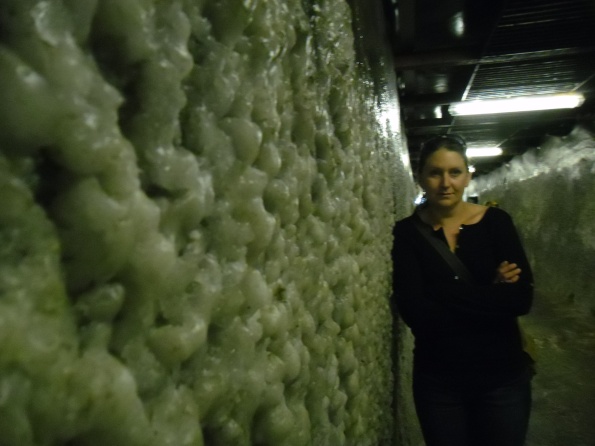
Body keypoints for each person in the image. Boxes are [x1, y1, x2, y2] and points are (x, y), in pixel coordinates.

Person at [391, 134, 534, 446]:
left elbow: (521, 298)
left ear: (468, 176)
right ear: (420, 178)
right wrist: (491, 292)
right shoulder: (407, 234)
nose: (446, 183)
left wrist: (441, 292)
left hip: (502, 378)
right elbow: (415, 312)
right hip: (439, 383)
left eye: (454, 172)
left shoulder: (497, 223)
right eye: (435, 173)